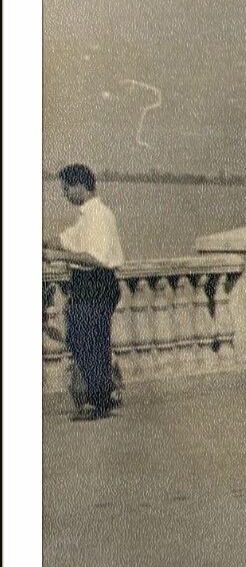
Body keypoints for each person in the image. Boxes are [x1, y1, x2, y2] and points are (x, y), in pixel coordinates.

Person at [44, 164, 126, 421]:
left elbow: (96, 258)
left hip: (95, 283)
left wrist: (55, 256)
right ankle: (103, 393)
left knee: (90, 341)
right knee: (86, 339)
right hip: (90, 284)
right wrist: (45, 243)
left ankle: (97, 400)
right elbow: (68, 239)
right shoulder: (87, 217)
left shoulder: (98, 216)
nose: (64, 193)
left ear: (80, 186)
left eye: (66, 188)